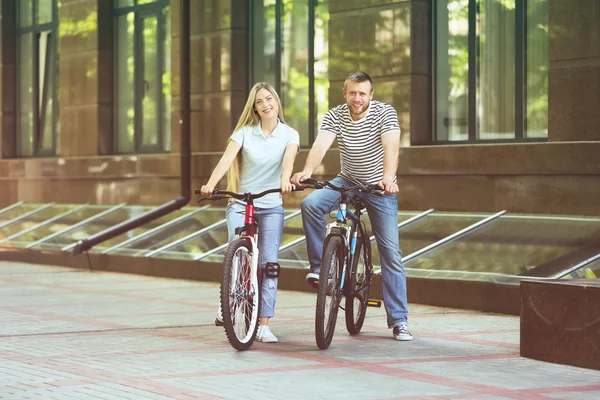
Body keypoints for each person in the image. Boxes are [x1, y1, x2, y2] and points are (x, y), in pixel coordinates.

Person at [291, 71, 412, 341]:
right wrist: (307, 170)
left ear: (371, 95)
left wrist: (388, 178)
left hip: (379, 185)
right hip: (347, 179)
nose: (357, 98)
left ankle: (399, 320)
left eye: (362, 93)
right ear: (345, 93)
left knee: (391, 252)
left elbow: (391, 147)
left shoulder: (385, 113)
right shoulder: (335, 114)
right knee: (310, 204)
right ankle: (321, 269)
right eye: (352, 93)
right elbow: (321, 144)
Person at [201, 82, 299, 343]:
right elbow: (225, 160)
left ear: (276, 102)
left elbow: (288, 160)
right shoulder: (244, 133)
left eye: (269, 99)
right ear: (254, 108)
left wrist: (285, 179)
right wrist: (211, 184)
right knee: (237, 249)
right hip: (242, 202)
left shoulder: (290, 134)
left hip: (271, 206)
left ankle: (264, 324)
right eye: (260, 102)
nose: (266, 105)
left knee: (268, 264)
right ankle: (229, 297)